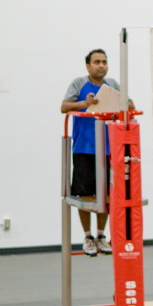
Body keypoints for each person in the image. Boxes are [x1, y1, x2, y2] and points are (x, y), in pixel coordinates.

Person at [61, 48, 134, 257]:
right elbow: (64, 106)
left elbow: (129, 104)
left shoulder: (112, 85)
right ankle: (87, 236)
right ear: (88, 66)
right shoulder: (78, 83)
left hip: (109, 149)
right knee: (85, 194)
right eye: (96, 62)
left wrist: (125, 103)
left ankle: (101, 235)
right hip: (84, 148)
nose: (101, 65)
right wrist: (86, 104)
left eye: (104, 61)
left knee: (108, 195)